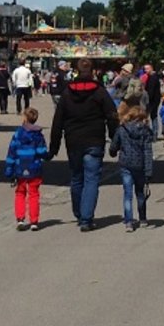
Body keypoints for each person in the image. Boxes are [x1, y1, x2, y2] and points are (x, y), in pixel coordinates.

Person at [49, 58, 118, 232]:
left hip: (73, 140)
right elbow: (112, 115)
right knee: (92, 179)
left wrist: (54, 147)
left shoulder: (67, 92)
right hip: (94, 139)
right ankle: (87, 218)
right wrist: (115, 139)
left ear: (77, 71)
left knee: (76, 178)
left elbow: (58, 121)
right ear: (92, 71)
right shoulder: (100, 92)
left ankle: (79, 213)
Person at [109, 102, 154, 232]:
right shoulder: (145, 131)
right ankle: (143, 218)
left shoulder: (122, 129)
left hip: (125, 164)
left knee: (127, 194)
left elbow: (114, 145)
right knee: (140, 193)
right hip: (140, 165)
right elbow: (148, 151)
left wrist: (112, 152)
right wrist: (149, 171)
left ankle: (129, 221)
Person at [3, 108, 48, 232]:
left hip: (19, 167)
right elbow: (41, 151)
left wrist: (9, 169)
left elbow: (11, 152)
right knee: (34, 194)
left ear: (24, 118)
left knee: (20, 193)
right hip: (34, 167)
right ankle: (34, 221)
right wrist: (46, 155)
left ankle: (20, 218)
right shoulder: (38, 135)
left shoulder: (18, 134)